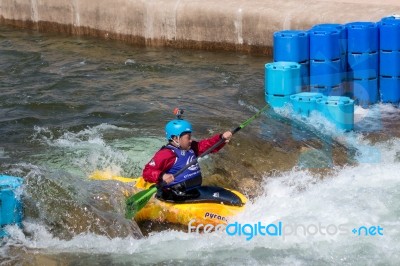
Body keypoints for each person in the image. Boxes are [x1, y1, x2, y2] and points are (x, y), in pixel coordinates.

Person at [142, 111, 232, 201]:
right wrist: (162, 176)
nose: (190, 140)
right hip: (174, 196)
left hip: (193, 192)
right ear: (175, 138)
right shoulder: (166, 154)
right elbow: (147, 171)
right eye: (188, 137)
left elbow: (208, 146)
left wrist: (221, 138)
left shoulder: (191, 147)